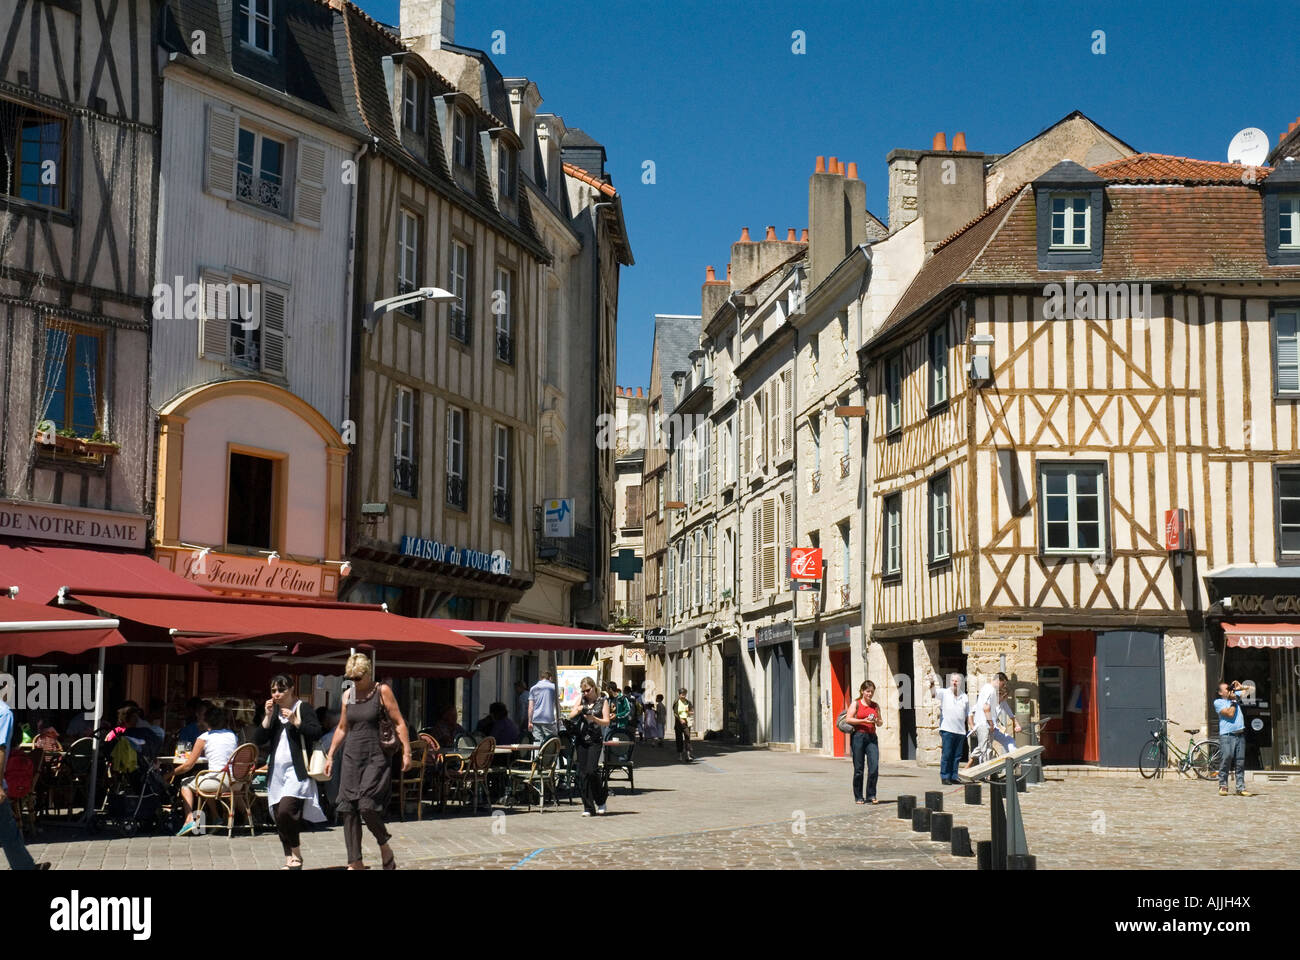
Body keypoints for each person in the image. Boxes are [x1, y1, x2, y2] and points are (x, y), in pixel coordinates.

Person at [325, 653, 411, 870]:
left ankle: (384, 845)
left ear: (368, 673)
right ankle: (355, 862)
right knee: (348, 808)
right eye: (351, 678)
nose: (355, 682)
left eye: (358, 677)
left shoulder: (382, 691)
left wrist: (407, 752)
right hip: (351, 757)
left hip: (376, 757)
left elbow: (399, 722)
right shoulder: (348, 695)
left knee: (366, 806)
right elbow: (343, 728)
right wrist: (330, 755)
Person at [253, 676, 326, 869]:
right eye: (273, 690)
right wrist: (267, 716)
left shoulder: (303, 708)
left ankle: (296, 852)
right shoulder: (273, 711)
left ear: (291, 689)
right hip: (276, 771)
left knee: (287, 810)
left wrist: (296, 722)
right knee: (279, 814)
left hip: (297, 769)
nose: (276, 694)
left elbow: (317, 732)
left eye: (280, 690)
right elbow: (258, 739)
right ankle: (290, 858)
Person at [170, 705, 238, 835]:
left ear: (206, 722)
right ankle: (216, 817)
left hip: (218, 782)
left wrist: (170, 774)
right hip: (236, 782)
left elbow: (188, 765)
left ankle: (189, 818)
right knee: (200, 778)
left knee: (185, 783)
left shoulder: (204, 737)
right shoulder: (232, 735)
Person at [0, 696, 49, 870]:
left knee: (8, 829)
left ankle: (26, 867)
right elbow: (1, 748)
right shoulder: (4, 713)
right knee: (8, 830)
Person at [568, 677, 610, 816]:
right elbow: (570, 715)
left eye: (588, 690)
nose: (585, 693)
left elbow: (606, 721)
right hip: (581, 739)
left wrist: (594, 719)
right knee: (582, 773)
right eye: (583, 690)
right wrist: (580, 709)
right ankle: (588, 807)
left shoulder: (602, 701)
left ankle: (600, 800)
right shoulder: (581, 700)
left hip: (595, 740)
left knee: (592, 771)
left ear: (593, 687)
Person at [967, 672, 1020, 768]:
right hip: (985, 725)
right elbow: (985, 707)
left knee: (986, 748)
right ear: (998, 681)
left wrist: (1016, 724)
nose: (1002, 686)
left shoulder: (992, 693)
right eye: (1002, 684)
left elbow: (1010, 714)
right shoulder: (990, 690)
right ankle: (983, 773)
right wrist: (989, 723)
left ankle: (1015, 760)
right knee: (985, 750)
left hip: (990, 726)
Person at [844, 681, 882, 804]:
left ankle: (871, 794)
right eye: (867, 691)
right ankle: (858, 796)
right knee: (859, 768)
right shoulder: (856, 703)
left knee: (874, 768)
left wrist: (876, 720)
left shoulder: (875, 706)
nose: (870, 694)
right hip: (858, 737)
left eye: (872, 691)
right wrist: (862, 720)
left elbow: (881, 722)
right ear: (862, 691)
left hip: (872, 737)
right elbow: (848, 719)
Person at [1214, 681, 1254, 797]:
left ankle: (1240, 788)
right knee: (1226, 759)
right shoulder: (1218, 702)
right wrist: (1233, 700)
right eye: (1227, 689)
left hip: (1240, 734)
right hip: (1227, 735)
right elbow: (1230, 714)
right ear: (1221, 692)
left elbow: (1252, 690)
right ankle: (1223, 785)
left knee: (1240, 762)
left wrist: (1241, 687)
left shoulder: (1235, 696)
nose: (1229, 690)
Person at [930, 672, 970, 785]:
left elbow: (967, 713)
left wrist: (969, 725)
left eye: (957, 681)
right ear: (950, 682)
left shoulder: (964, 696)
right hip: (947, 729)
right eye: (953, 680)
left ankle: (954, 776)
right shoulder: (944, 692)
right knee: (947, 754)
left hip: (960, 730)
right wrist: (932, 683)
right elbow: (933, 694)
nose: (955, 682)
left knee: (957, 756)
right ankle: (945, 776)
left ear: (961, 682)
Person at [527, 672, 558, 744]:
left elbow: (530, 707)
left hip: (536, 719)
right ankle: (550, 755)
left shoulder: (533, 688)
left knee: (537, 741)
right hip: (548, 719)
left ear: (540, 678)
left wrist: (529, 721)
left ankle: (536, 755)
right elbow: (557, 704)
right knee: (551, 741)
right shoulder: (554, 687)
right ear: (550, 678)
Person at [674, 689, 694, 761]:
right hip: (678, 723)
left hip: (686, 723)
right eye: (682, 694)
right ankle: (680, 755)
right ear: (679, 694)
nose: (683, 695)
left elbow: (692, 711)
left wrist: (689, 712)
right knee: (679, 739)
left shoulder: (688, 702)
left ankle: (688, 755)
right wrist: (680, 719)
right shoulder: (676, 702)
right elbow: (675, 713)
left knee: (687, 737)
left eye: (684, 694)